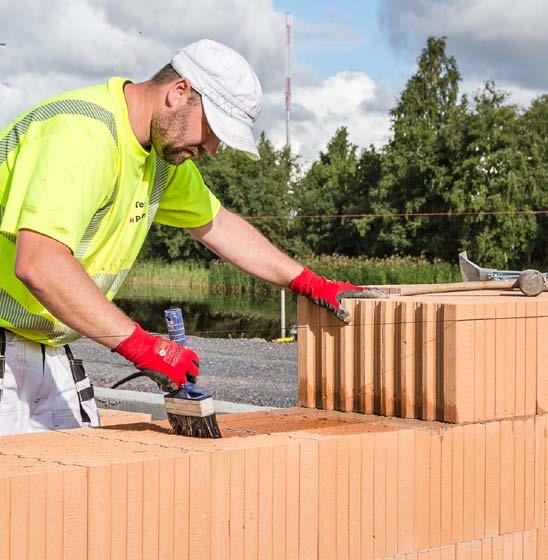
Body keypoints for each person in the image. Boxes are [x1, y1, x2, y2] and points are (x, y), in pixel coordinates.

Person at [0, 39, 383, 435]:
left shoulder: (160, 159)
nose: (212, 148)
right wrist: (144, 347)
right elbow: (39, 264)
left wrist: (306, 281)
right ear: (179, 91)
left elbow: (219, 226)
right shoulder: (83, 134)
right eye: (213, 129)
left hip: (43, 347)